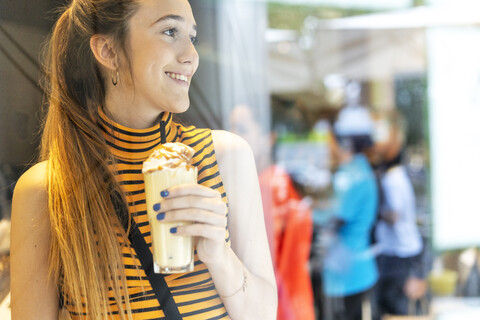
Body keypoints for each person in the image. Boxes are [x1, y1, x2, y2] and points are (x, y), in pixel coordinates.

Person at [10, 0, 277, 319]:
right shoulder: (46, 190)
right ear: (108, 50)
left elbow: (262, 314)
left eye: (191, 36)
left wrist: (219, 255)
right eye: (169, 31)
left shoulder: (225, 157)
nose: (191, 56)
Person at [230, 104, 315, 320]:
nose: (232, 137)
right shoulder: (278, 181)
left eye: (241, 128)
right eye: (230, 128)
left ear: (269, 137)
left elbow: (258, 267)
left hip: (279, 309)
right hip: (293, 305)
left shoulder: (266, 189)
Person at [322, 104, 379, 320]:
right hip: (357, 269)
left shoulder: (349, 177)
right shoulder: (361, 170)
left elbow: (331, 220)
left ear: (344, 142)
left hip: (347, 275)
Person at [373, 111, 426, 318]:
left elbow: (394, 216)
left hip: (399, 252)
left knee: (396, 309)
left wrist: (376, 214)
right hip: (403, 251)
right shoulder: (397, 176)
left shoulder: (392, 180)